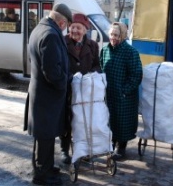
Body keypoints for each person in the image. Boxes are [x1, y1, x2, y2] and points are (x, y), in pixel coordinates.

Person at [23, 3, 72, 186]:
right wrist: (64, 84)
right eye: (67, 25)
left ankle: (45, 167)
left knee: (45, 135)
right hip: (48, 96)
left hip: (42, 94)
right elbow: (52, 71)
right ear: (62, 22)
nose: (66, 29)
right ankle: (42, 175)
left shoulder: (40, 28)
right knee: (45, 136)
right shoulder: (50, 35)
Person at [60, 13, 101, 164]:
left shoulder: (93, 45)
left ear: (85, 30)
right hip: (67, 88)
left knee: (83, 120)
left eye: (78, 28)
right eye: (73, 27)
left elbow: (97, 65)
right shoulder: (63, 42)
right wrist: (71, 77)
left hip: (85, 90)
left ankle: (83, 150)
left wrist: (90, 76)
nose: (75, 30)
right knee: (66, 119)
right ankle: (64, 150)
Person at [100, 22, 143, 161]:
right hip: (109, 94)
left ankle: (121, 147)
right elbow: (101, 68)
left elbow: (136, 75)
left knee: (122, 122)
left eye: (116, 35)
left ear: (123, 36)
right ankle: (111, 144)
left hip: (125, 96)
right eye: (111, 34)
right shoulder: (105, 50)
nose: (113, 38)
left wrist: (124, 91)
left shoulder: (131, 52)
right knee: (110, 120)